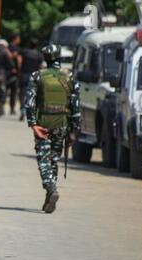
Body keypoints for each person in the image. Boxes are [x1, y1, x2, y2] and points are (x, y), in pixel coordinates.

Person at [25, 44, 81, 213]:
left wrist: (33, 124)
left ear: (45, 58)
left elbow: (29, 103)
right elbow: (76, 105)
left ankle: (50, 188)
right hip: (62, 124)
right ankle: (50, 195)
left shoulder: (37, 76)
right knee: (54, 159)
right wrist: (74, 130)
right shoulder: (69, 76)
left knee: (44, 160)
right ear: (59, 57)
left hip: (43, 124)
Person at [19, 38, 44, 121]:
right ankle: (31, 112)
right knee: (33, 94)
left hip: (24, 74)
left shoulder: (25, 52)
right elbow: (40, 67)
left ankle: (22, 110)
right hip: (34, 76)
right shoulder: (39, 55)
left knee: (22, 93)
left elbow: (19, 60)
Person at [6, 33, 22, 115]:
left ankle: (1, 107)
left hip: (6, 72)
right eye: (18, 38)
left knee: (5, 91)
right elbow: (19, 61)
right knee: (13, 92)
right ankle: (12, 109)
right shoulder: (15, 49)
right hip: (14, 73)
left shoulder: (7, 48)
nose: (19, 40)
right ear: (15, 39)